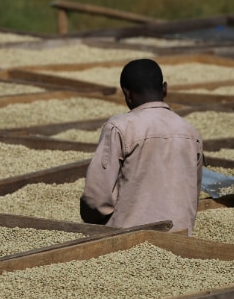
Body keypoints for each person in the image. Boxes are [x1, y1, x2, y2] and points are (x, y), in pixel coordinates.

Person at [80, 58, 204, 234]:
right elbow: (193, 193)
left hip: (129, 238)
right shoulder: (190, 132)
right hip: (179, 236)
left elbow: (97, 198)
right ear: (165, 89)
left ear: (127, 94)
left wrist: (91, 221)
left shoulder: (120, 127)